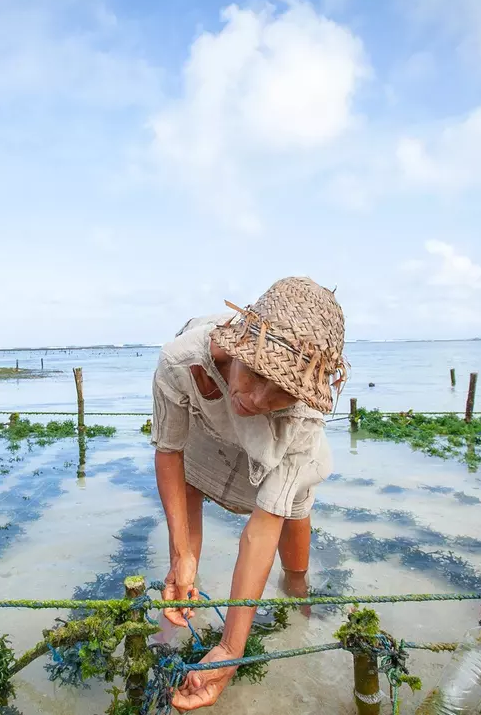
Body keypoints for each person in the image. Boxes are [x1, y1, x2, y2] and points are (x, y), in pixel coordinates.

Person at [151, 277, 346, 711]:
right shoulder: (181, 360)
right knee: (188, 488)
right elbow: (169, 452)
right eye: (256, 375)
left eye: (280, 392)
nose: (257, 399)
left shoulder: (303, 418)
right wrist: (181, 554)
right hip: (206, 422)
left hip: (278, 448)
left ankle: (298, 594)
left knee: (294, 512)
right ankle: (184, 584)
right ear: (239, 347)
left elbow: (262, 530)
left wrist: (231, 650)